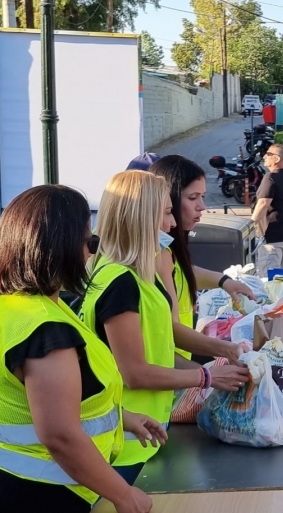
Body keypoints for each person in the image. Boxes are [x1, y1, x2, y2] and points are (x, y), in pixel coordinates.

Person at [0, 185, 166, 513]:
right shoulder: (46, 331)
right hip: (46, 493)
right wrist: (124, 494)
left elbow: (40, 404)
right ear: (60, 246)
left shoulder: (19, 307)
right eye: (89, 241)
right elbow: (60, 435)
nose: (92, 251)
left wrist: (123, 417)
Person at [80, 171, 249, 484]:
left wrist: (218, 363)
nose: (172, 225)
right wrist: (206, 376)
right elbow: (135, 372)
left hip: (147, 436)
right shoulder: (119, 283)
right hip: (126, 449)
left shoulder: (137, 273)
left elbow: (159, 348)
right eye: (167, 213)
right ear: (141, 217)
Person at [149, 155, 256, 359]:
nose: (202, 206)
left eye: (203, 197)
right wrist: (217, 362)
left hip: (178, 366)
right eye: (192, 198)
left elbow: (181, 272)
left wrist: (224, 281)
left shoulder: (168, 249)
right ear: (166, 199)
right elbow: (170, 330)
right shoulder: (157, 253)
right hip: (171, 370)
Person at [253, 143, 283, 277]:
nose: (264, 156)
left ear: (277, 159)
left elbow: (263, 203)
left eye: (268, 154)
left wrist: (251, 226)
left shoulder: (270, 178)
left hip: (271, 237)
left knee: (270, 281)